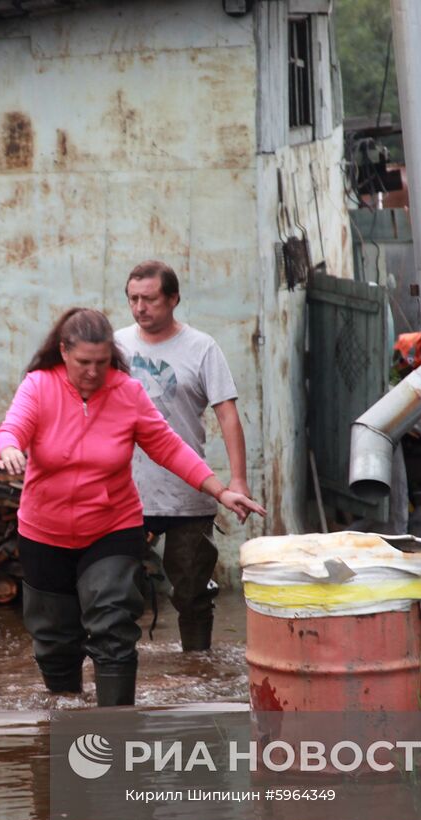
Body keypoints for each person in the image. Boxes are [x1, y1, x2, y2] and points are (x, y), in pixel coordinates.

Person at [0, 308, 264, 706]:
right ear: (64, 352)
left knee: (114, 624)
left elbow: (169, 447)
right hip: (44, 529)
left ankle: (117, 729)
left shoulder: (127, 392)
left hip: (111, 526)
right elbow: (11, 428)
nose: (92, 372)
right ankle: (62, 715)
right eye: (84, 362)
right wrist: (10, 449)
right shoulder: (38, 386)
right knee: (53, 639)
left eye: (102, 363)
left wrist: (219, 490)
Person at [115, 260, 252, 652]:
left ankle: (198, 668)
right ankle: (120, 675)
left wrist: (237, 480)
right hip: (126, 493)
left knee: (192, 593)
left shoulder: (201, 347)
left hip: (187, 491)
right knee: (115, 593)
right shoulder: (116, 346)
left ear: (173, 299)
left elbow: (226, 413)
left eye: (150, 299)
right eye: (133, 299)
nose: (141, 308)